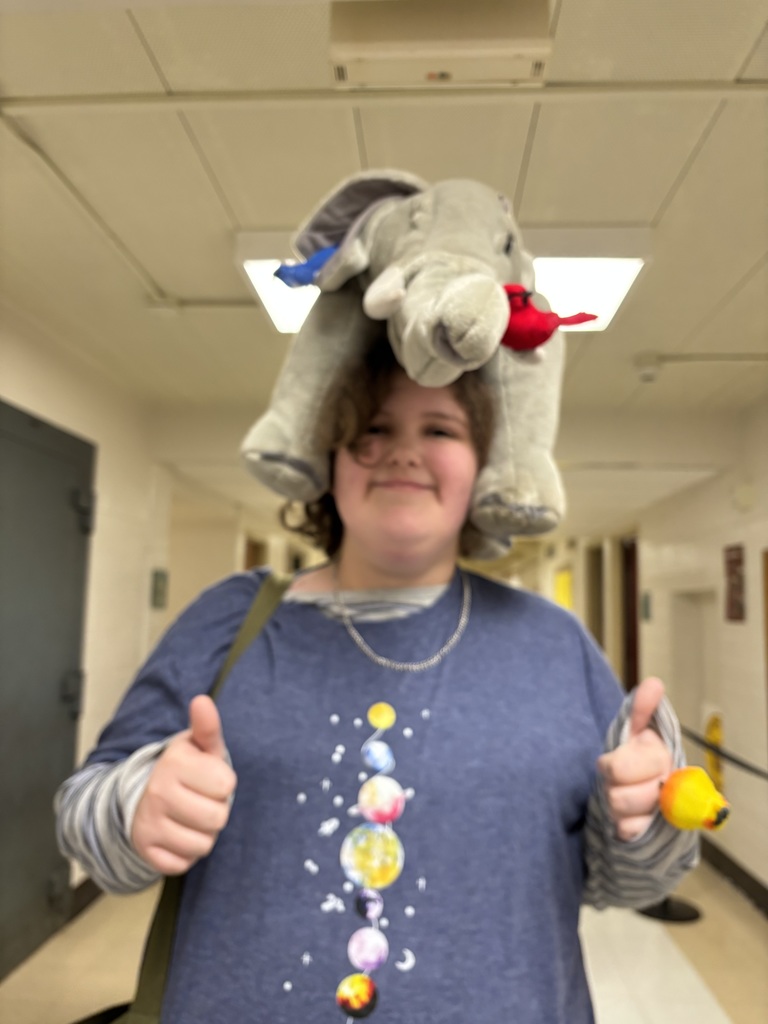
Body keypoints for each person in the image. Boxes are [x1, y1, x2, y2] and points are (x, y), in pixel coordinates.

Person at [56, 333, 698, 1024]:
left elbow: (624, 881)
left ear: (481, 466)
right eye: (373, 427)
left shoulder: (554, 644)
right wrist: (135, 806)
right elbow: (83, 816)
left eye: (440, 428)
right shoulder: (230, 621)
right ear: (330, 460)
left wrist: (646, 818)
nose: (403, 449)